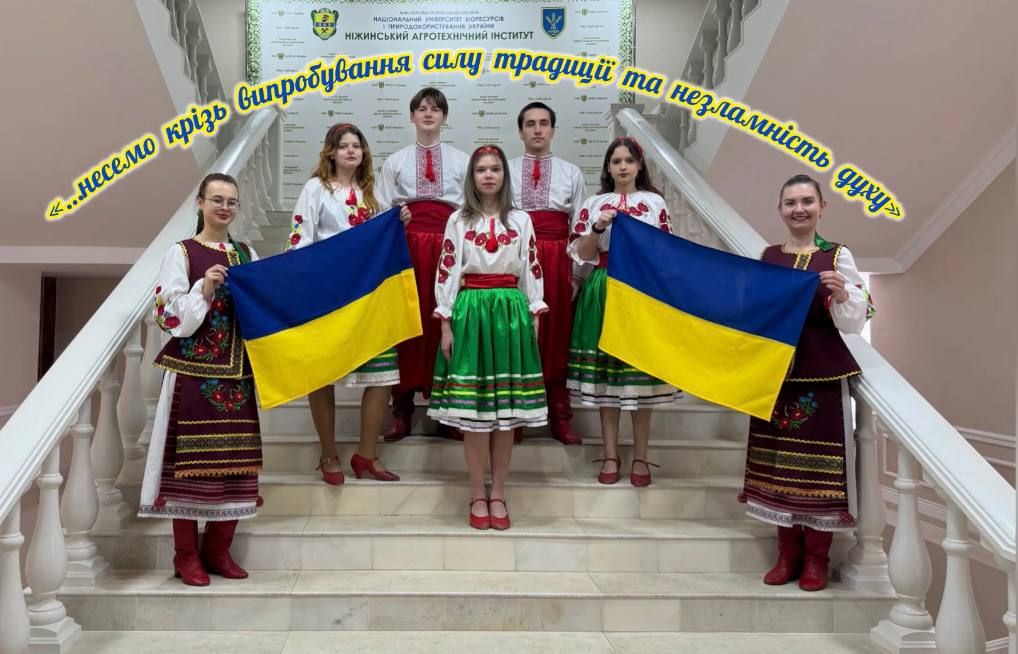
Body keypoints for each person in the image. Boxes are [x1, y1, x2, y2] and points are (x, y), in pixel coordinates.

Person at [739, 173, 874, 592]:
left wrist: (842, 295)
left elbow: (854, 322)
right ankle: (787, 554)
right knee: (777, 465)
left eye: (807, 201)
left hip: (821, 376)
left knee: (818, 469)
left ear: (821, 207)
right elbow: (753, 313)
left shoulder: (837, 256)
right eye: (791, 203)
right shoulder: (767, 257)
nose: (799, 209)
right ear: (780, 210)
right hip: (776, 379)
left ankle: (817, 558)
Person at [139, 172, 262, 586]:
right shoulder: (181, 252)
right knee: (188, 466)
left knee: (236, 463)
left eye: (231, 201)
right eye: (217, 199)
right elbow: (167, 315)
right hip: (193, 373)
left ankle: (219, 551)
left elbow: (261, 302)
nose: (225, 207)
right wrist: (203, 288)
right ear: (200, 202)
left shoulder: (246, 253)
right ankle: (186, 555)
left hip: (238, 372)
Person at [427, 145, 548, 531]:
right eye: (481, 170)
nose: (489, 175)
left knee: (505, 416)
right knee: (475, 414)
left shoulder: (521, 220)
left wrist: (534, 314)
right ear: (472, 177)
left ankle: (499, 492)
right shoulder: (458, 220)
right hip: (471, 311)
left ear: (504, 175)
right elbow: (447, 268)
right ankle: (477, 492)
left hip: (510, 311)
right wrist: (446, 322)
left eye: (495, 169)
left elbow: (531, 266)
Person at [286, 123, 410, 484]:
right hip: (329, 293)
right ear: (331, 152)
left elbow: (383, 240)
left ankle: (367, 454)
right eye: (344, 146)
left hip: (369, 295)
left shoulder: (374, 193)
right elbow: (300, 240)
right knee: (321, 374)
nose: (352, 151)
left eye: (357, 145)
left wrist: (399, 221)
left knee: (384, 374)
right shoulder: (315, 189)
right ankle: (328, 454)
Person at [567, 136, 680, 488]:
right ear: (607, 167)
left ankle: (641, 456)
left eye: (628, 160)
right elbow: (583, 254)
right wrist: (598, 227)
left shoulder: (655, 203)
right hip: (603, 287)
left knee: (639, 377)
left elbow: (665, 251)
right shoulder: (594, 204)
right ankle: (610, 454)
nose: (622, 166)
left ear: (639, 165)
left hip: (640, 290)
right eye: (616, 161)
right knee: (607, 377)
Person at [377, 87, 470, 442]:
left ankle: (447, 410)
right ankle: (401, 408)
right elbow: (382, 208)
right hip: (408, 247)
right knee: (407, 322)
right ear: (411, 116)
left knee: (446, 321)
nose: (428, 114)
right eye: (421, 108)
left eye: (435, 109)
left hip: (449, 245)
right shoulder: (395, 161)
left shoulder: (462, 160)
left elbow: (471, 208)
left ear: (444, 117)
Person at [508, 102, 588, 446]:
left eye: (543, 123)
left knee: (556, 334)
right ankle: (515, 415)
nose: (537, 129)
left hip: (557, 259)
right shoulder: (506, 169)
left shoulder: (572, 173)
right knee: (517, 332)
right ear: (520, 131)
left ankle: (560, 413)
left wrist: (577, 275)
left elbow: (581, 227)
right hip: (516, 258)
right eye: (530, 124)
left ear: (553, 130)